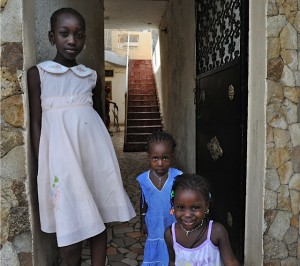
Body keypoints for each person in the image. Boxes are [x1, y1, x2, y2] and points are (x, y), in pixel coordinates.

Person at [27, 8, 135, 266]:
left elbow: (100, 117)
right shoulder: (38, 74)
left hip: (93, 156)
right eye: (64, 34)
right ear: (52, 36)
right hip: (59, 159)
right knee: (68, 216)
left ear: (85, 39)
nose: (72, 41)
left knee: (97, 214)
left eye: (79, 35)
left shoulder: (91, 77)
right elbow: (36, 122)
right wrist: (43, 163)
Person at [164, 174, 240, 266]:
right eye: (181, 207)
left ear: (206, 206)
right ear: (173, 206)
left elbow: (231, 262)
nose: (187, 215)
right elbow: (172, 262)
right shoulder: (170, 234)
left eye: (195, 208)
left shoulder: (216, 232)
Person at [136, 131, 183, 265]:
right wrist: (143, 220)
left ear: (172, 158)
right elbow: (143, 200)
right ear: (149, 157)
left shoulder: (177, 177)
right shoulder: (144, 179)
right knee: (155, 246)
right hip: (153, 221)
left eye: (165, 158)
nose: (160, 163)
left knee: (172, 246)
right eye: (155, 158)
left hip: (172, 220)